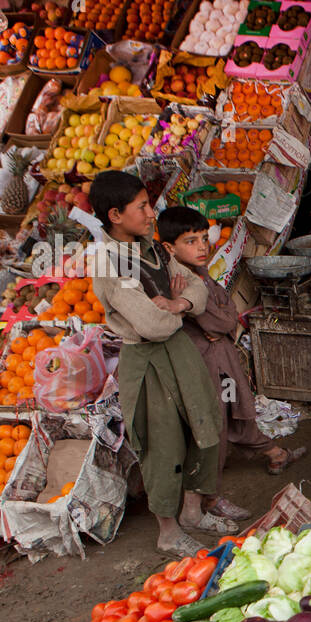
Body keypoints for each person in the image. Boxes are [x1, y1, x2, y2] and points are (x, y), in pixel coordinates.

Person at [87, 171, 236, 556]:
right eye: (142, 207)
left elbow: (197, 286)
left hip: (180, 351)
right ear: (116, 214)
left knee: (204, 424)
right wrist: (178, 312)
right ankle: (168, 531)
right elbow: (150, 326)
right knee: (162, 445)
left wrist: (180, 304)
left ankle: (192, 513)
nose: (152, 213)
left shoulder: (152, 249)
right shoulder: (107, 264)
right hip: (147, 359)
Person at [157, 206, 306, 519]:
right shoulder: (179, 282)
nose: (201, 246)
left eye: (202, 238)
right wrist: (223, 320)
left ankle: (276, 453)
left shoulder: (201, 274)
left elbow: (225, 314)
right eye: (190, 241)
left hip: (222, 358)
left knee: (236, 413)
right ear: (170, 248)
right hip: (204, 365)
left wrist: (223, 319)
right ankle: (209, 498)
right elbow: (222, 322)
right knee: (216, 428)